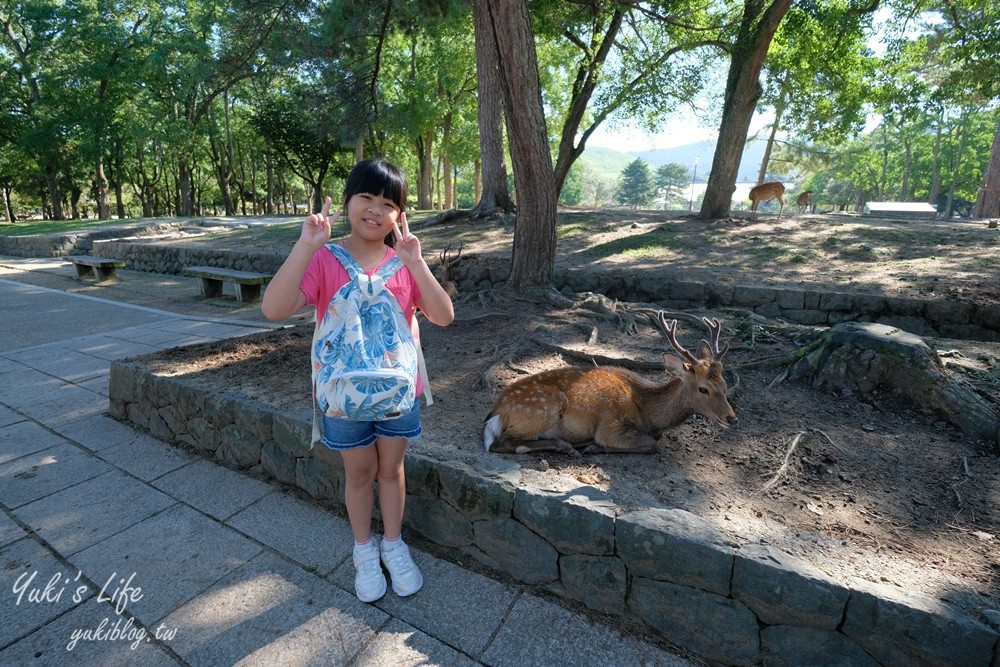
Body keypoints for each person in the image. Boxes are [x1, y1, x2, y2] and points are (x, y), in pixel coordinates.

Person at [261, 158, 455, 602]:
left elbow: (443, 316)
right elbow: (273, 309)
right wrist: (305, 247)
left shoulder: (404, 262)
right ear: (347, 200)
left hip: (398, 393)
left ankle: (393, 544)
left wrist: (417, 262)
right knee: (360, 471)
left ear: (400, 214)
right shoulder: (325, 260)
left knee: (392, 469)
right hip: (341, 395)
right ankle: (364, 550)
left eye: (388, 203)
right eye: (366, 197)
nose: (374, 209)